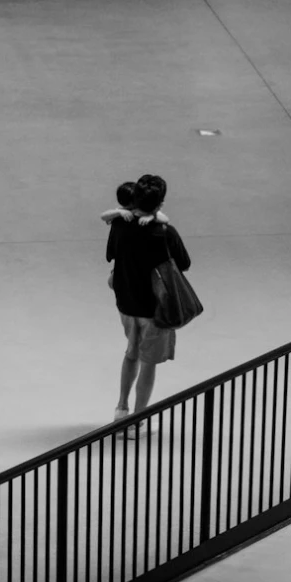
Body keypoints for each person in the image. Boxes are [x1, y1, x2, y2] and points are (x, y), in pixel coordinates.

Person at [104, 174, 192, 437]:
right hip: (156, 309)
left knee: (131, 352)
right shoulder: (164, 232)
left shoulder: (119, 224)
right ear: (160, 203)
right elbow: (184, 263)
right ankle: (137, 421)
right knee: (148, 361)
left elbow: (111, 254)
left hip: (126, 302)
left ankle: (121, 409)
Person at [100, 181, 170, 227]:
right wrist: (119, 212)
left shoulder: (145, 210)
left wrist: (151, 217)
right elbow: (103, 216)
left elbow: (166, 219)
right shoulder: (122, 211)